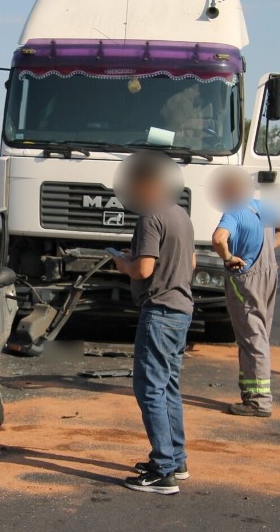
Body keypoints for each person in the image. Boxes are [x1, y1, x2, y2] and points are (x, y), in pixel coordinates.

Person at [111, 154, 195, 495]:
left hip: (159, 310)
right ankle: (176, 459)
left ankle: (163, 471)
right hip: (181, 309)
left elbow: (143, 270)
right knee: (169, 386)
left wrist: (122, 263)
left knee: (149, 389)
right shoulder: (181, 214)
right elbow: (190, 261)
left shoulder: (150, 218)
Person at [210, 168, 280, 418]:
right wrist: (269, 249)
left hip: (245, 277)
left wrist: (228, 258)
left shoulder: (233, 212)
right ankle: (250, 394)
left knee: (252, 338)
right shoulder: (261, 206)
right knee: (260, 335)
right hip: (268, 273)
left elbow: (218, 238)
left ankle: (259, 402)